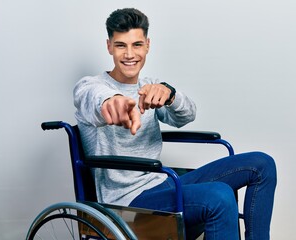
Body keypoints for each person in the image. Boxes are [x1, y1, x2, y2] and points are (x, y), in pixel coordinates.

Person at [73, 8, 277, 240]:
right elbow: (92, 97)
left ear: (147, 45)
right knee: (219, 195)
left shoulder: (151, 87)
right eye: (121, 45)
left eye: (137, 45)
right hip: (128, 201)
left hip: (163, 183)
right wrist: (113, 102)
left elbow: (187, 114)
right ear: (109, 46)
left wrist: (169, 94)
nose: (130, 54)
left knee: (262, 164)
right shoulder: (90, 86)